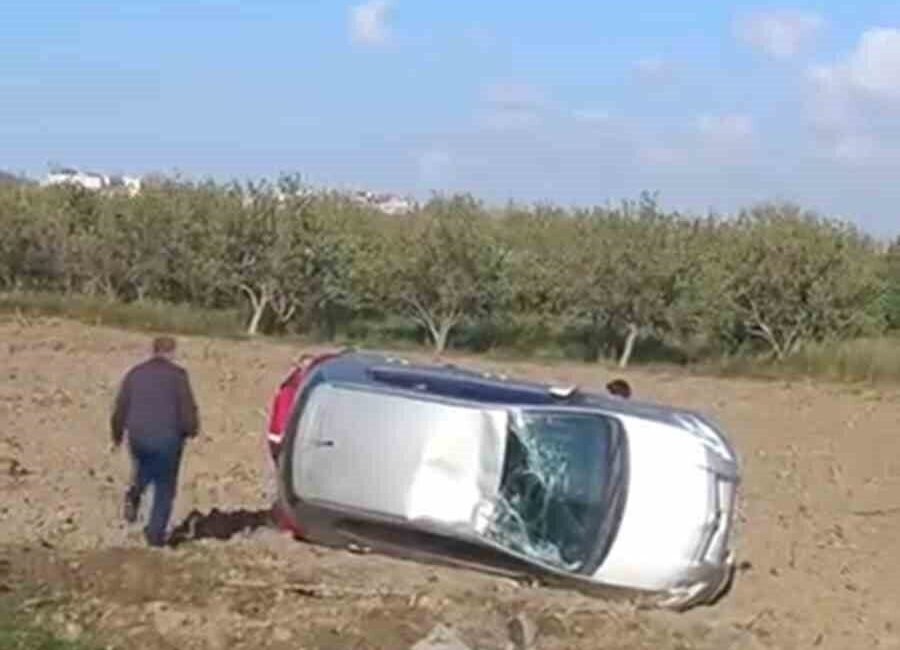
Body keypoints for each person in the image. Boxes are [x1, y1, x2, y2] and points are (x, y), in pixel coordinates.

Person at [111, 335, 199, 547]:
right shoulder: (178, 376)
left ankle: (135, 492)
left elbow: (121, 406)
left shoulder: (135, 373)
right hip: (168, 438)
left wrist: (117, 434)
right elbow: (187, 408)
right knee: (165, 487)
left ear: (153, 350)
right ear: (172, 352)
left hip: (138, 435)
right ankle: (155, 535)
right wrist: (191, 429)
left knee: (145, 467)